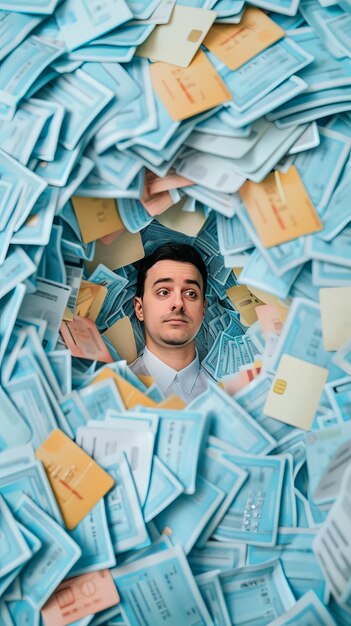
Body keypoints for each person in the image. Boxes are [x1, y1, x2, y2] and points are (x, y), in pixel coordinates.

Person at [129, 242, 213, 403]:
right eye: (163, 292)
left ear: (203, 310)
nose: (179, 303)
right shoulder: (115, 386)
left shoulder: (230, 394)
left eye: (190, 293)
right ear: (140, 308)